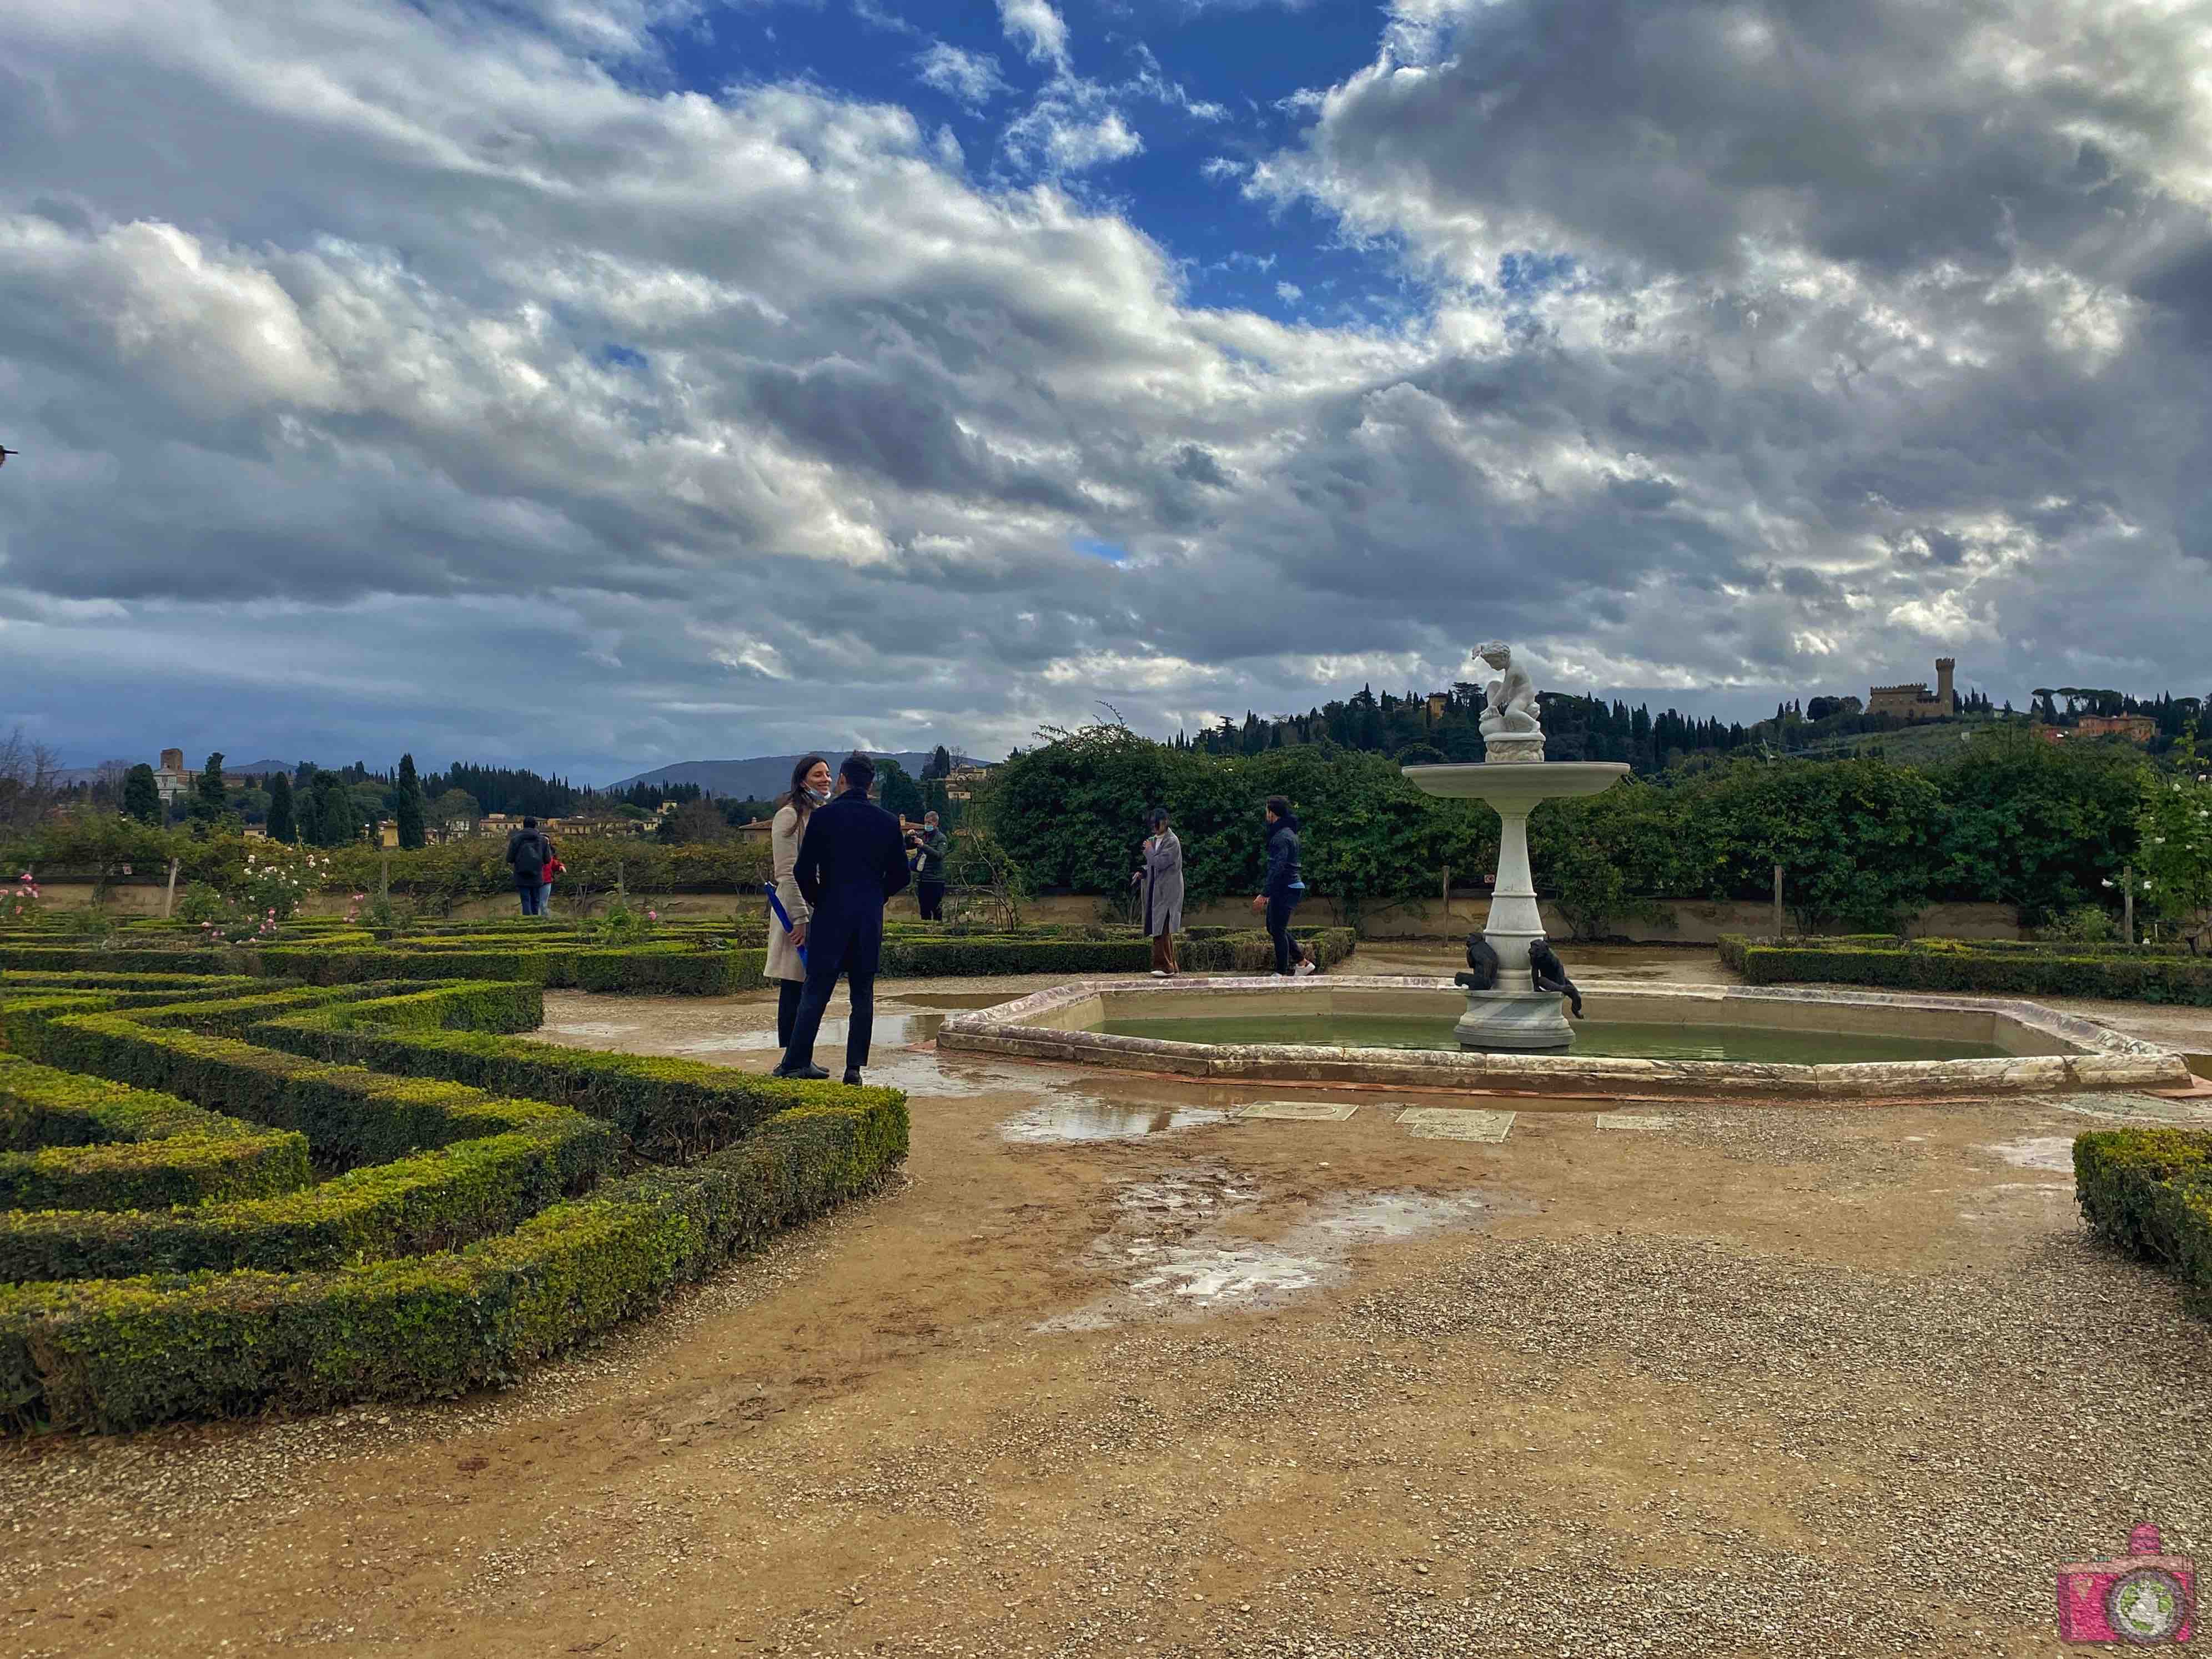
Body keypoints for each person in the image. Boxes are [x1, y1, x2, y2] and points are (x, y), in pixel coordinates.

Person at [774, 752, 912, 1084]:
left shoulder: (824, 818)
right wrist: (878, 896)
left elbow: (803, 871)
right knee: (862, 993)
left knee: (816, 990)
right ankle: (854, 1068)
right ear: (872, 784)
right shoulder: (887, 821)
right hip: (868, 917)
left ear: (842, 781)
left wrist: (820, 899)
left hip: (831, 913)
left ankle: (796, 1060)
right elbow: (902, 876)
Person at [767, 755, 832, 1049]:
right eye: (818, 775)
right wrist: (801, 919)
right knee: (793, 986)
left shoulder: (821, 814)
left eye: (828, 774)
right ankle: (790, 1056)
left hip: (817, 907)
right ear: (803, 779)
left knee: (808, 986)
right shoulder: (789, 816)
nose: (826, 779)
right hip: (795, 910)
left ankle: (800, 1055)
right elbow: (786, 872)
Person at [1250, 795, 1317, 976]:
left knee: (1278, 930)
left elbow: (1277, 868)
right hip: (1288, 886)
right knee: (1274, 928)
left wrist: (1264, 894)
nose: (1266, 815)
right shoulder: (1289, 833)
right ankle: (1302, 963)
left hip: (1286, 887)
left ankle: (1280, 973)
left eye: (1267, 811)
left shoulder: (1280, 837)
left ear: (1272, 814)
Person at [1130, 806, 1184, 976]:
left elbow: (1160, 863)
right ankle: (1171, 966)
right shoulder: (1154, 840)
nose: (1154, 828)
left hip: (1169, 891)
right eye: (1152, 824)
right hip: (1157, 890)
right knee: (1161, 927)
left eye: (1157, 824)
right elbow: (1153, 865)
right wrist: (1143, 873)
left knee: (1162, 927)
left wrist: (1149, 851)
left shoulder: (1172, 841)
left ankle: (1164, 966)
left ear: (1165, 822)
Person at [505, 816, 553, 916]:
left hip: (521, 874)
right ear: (535, 826)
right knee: (536, 899)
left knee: (525, 899)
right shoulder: (543, 840)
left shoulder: (515, 839)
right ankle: (535, 922)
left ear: (523, 825)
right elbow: (548, 860)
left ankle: (527, 921)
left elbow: (509, 859)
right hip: (537, 874)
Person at [907, 811, 949, 921]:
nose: (927, 825)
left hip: (936, 880)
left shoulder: (941, 838)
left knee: (937, 910)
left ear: (936, 823)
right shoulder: (923, 836)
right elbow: (907, 846)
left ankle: (937, 934)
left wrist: (923, 846)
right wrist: (909, 836)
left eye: (930, 823)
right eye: (926, 822)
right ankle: (926, 931)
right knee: (924, 910)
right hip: (923, 879)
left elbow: (940, 855)